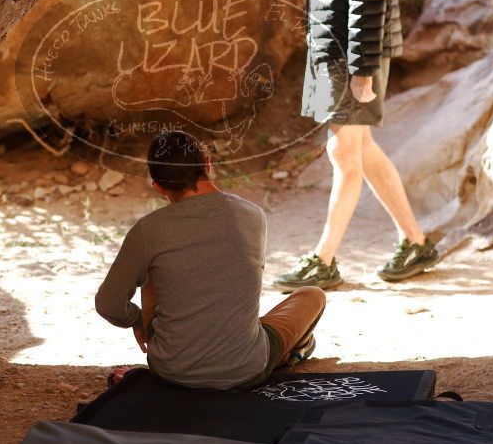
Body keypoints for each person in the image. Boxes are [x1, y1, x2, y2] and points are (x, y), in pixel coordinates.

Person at [275, 0, 439, 292]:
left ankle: (324, 260)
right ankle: (416, 242)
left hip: (351, 55)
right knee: (360, 149)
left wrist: (362, 69)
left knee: (344, 153)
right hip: (336, 50)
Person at [96, 131, 326, 390]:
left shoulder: (148, 230)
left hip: (172, 370)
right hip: (245, 368)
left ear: (158, 187)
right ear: (207, 163)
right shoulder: (252, 216)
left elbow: (108, 303)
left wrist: (137, 321)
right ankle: (290, 351)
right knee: (312, 296)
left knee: (151, 268)